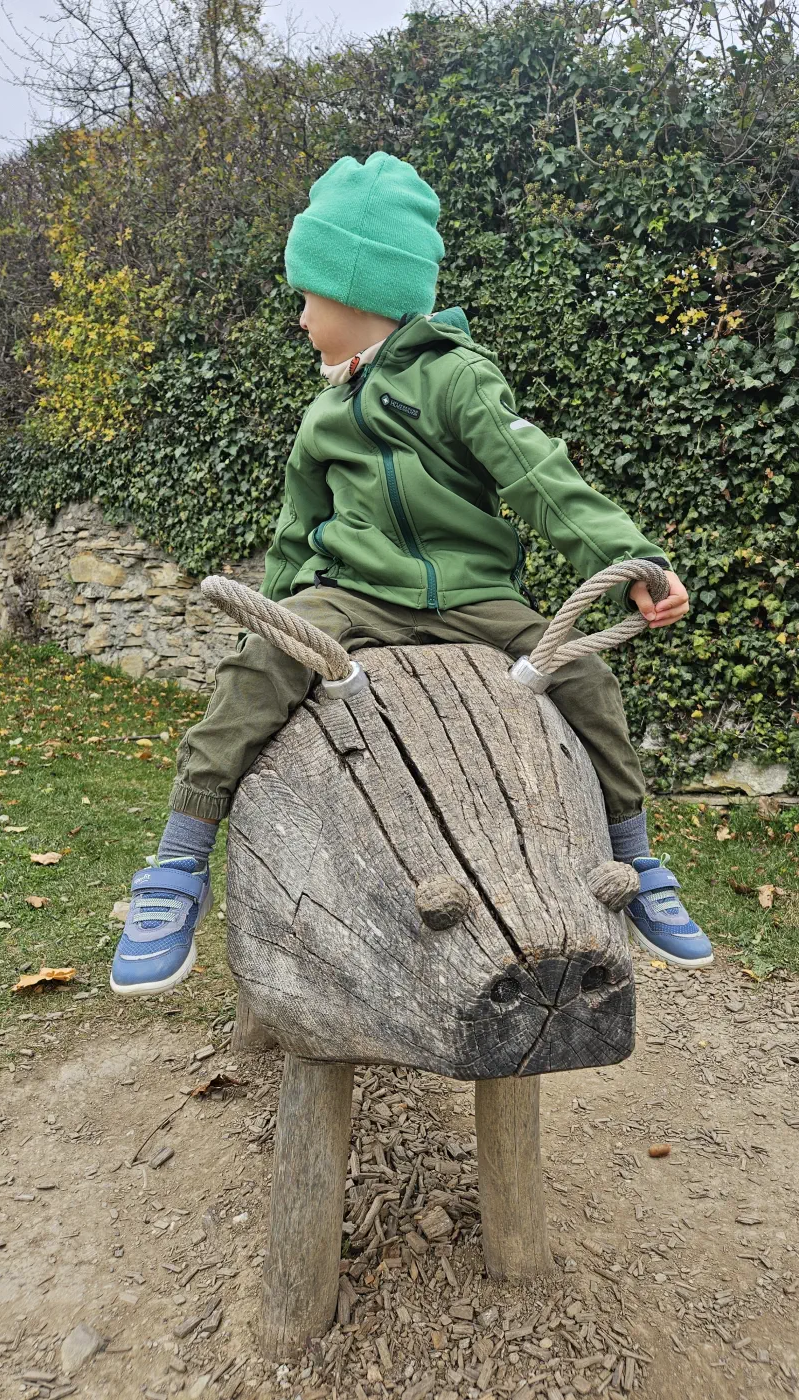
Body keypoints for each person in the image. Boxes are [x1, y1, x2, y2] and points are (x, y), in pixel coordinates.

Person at [109, 151, 713, 996]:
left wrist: (629, 561)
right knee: (258, 671)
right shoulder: (321, 417)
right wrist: (276, 619)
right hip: (354, 596)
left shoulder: (455, 379)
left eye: (307, 298)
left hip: (474, 597)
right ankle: (177, 863)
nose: (301, 318)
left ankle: (636, 855)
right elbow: (296, 531)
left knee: (588, 677)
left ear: (357, 292)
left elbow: (538, 476)